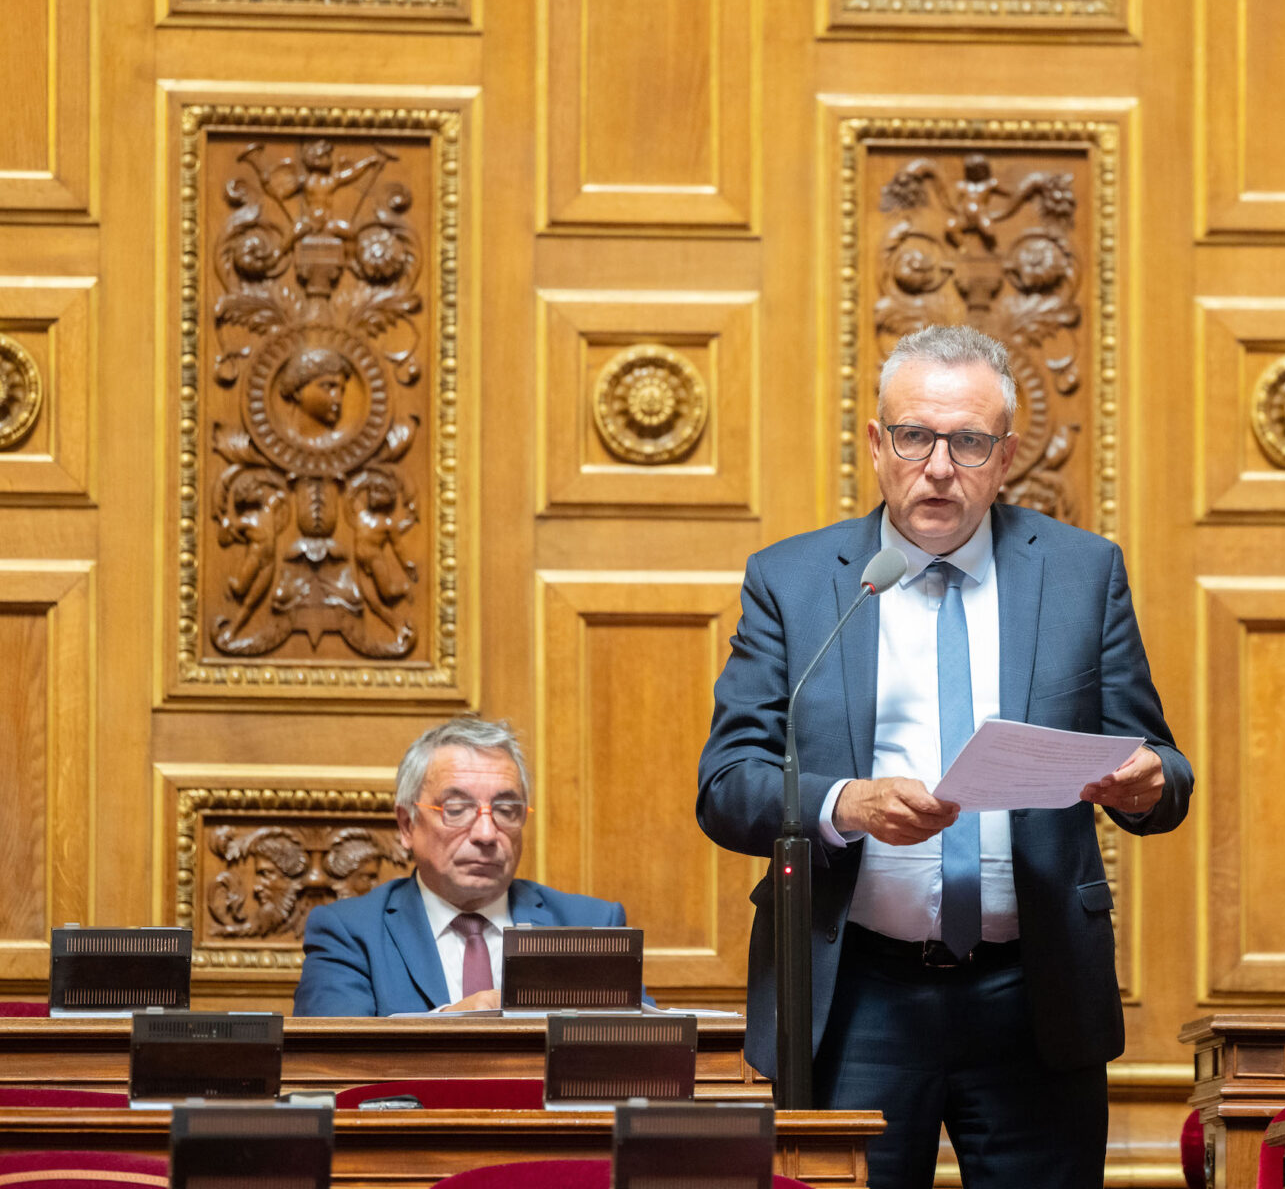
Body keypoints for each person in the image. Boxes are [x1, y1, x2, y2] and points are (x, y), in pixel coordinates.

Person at [697, 325, 1193, 1188]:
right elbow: (727, 783)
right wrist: (844, 804)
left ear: (1004, 458)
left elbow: (1162, 766)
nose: (938, 467)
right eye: (915, 437)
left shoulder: (1081, 574)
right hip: (856, 994)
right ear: (877, 445)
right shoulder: (797, 582)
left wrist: (1149, 786)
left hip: (1032, 993)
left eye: (967, 442)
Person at [294, 716, 629, 1016]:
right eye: (456, 809)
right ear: (407, 825)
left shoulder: (591, 926)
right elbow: (332, 1064)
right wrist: (450, 1023)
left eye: (506, 809)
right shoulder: (350, 933)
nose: (486, 833)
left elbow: (640, 1059)